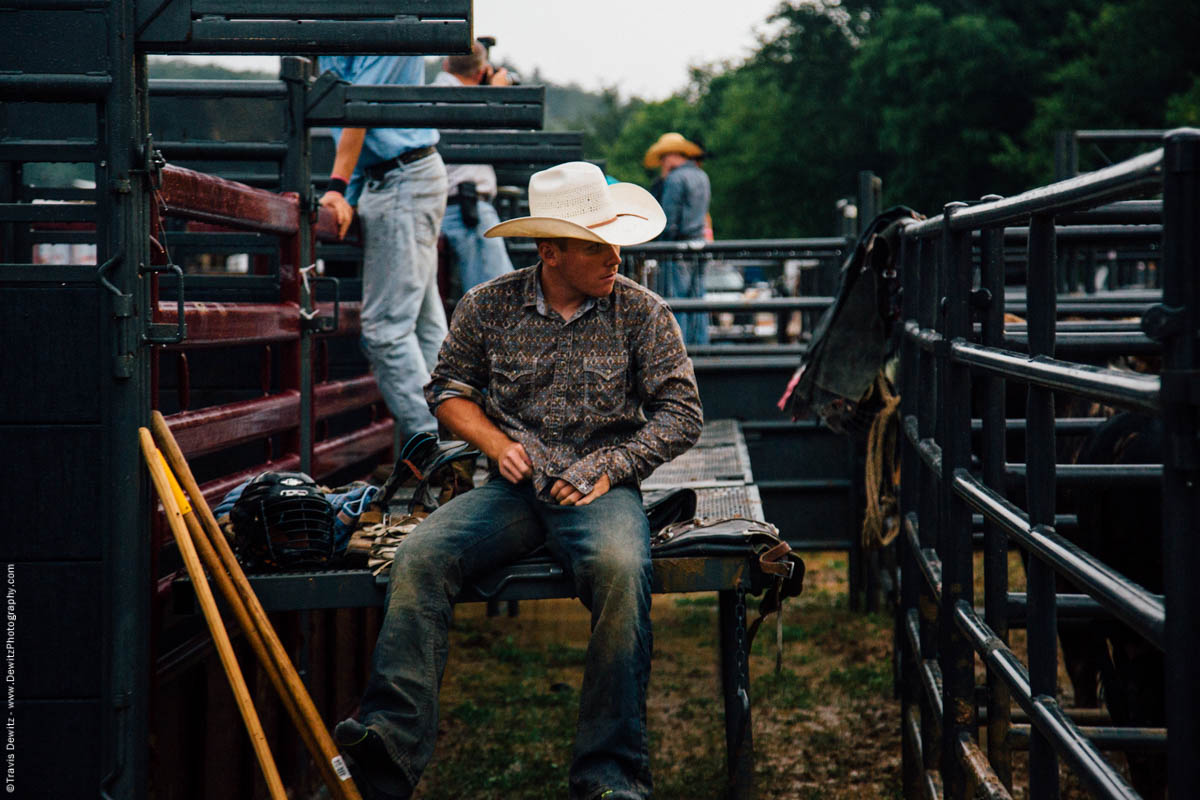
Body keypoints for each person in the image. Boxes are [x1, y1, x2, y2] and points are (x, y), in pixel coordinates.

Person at [332, 161, 704, 800]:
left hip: (601, 489)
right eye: (596, 243)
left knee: (621, 569)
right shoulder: (487, 306)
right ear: (550, 250)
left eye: (615, 237)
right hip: (512, 491)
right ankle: (390, 743)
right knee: (419, 559)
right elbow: (447, 392)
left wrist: (609, 466)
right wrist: (497, 444)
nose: (615, 254)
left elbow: (683, 412)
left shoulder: (643, 312)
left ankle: (610, 774)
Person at [317, 55, 448, 441]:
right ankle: (451, 442)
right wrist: (350, 193)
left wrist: (339, 187)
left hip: (402, 176)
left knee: (386, 331)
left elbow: (360, 104)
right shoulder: (336, 33)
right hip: (390, 177)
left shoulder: (389, 25)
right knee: (423, 324)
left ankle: (436, 445)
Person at [432, 40, 516, 295]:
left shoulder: (431, 94)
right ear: (481, 73)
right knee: (500, 301)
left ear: (446, 65)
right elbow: (509, 139)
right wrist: (496, 94)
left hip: (436, 207)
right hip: (467, 211)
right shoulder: (474, 103)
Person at [643, 132, 712, 345]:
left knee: (676, 299)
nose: (663, 162)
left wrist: (661, 243)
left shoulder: (675, 179)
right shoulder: (702, 176)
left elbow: (669, 217)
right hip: (700, 243)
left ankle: (677, 345)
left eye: (664, 157)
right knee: (697, 298)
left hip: (678, 245)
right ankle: (700, 344)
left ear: (674, 155)